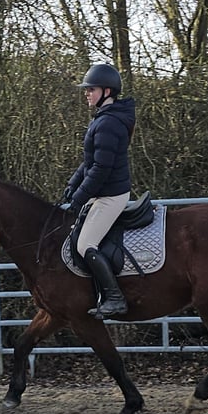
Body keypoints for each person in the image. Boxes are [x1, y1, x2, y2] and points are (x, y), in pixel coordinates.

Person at [63, 63, 135, 318]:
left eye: (90, 89)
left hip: (110, 195)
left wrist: (79, 197)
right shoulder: (104, 120)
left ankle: (115, 298)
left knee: (85, 244)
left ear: (106, 91)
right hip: (103, 191)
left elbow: (101, 169)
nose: (86, 94)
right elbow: (90, 161)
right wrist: (73, 185)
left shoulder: (108, 123)